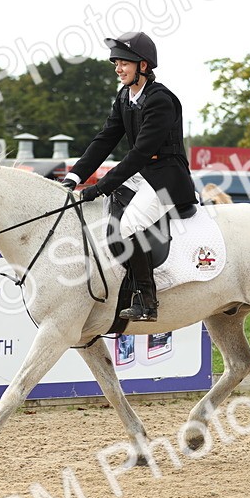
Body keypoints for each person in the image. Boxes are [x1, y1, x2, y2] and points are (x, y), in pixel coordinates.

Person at [61, 32, 196, 321]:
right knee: (106, 212)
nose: (118, 69)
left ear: (143, 66)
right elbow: (105, 139)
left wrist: (99, 186)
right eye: (116, 63)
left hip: (167, 178)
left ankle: (147, 302)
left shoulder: (161, 101)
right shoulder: (125, 97)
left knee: (131, 223)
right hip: (145, 174)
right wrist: (75, 176)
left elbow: (139, 154)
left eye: (124, 63)